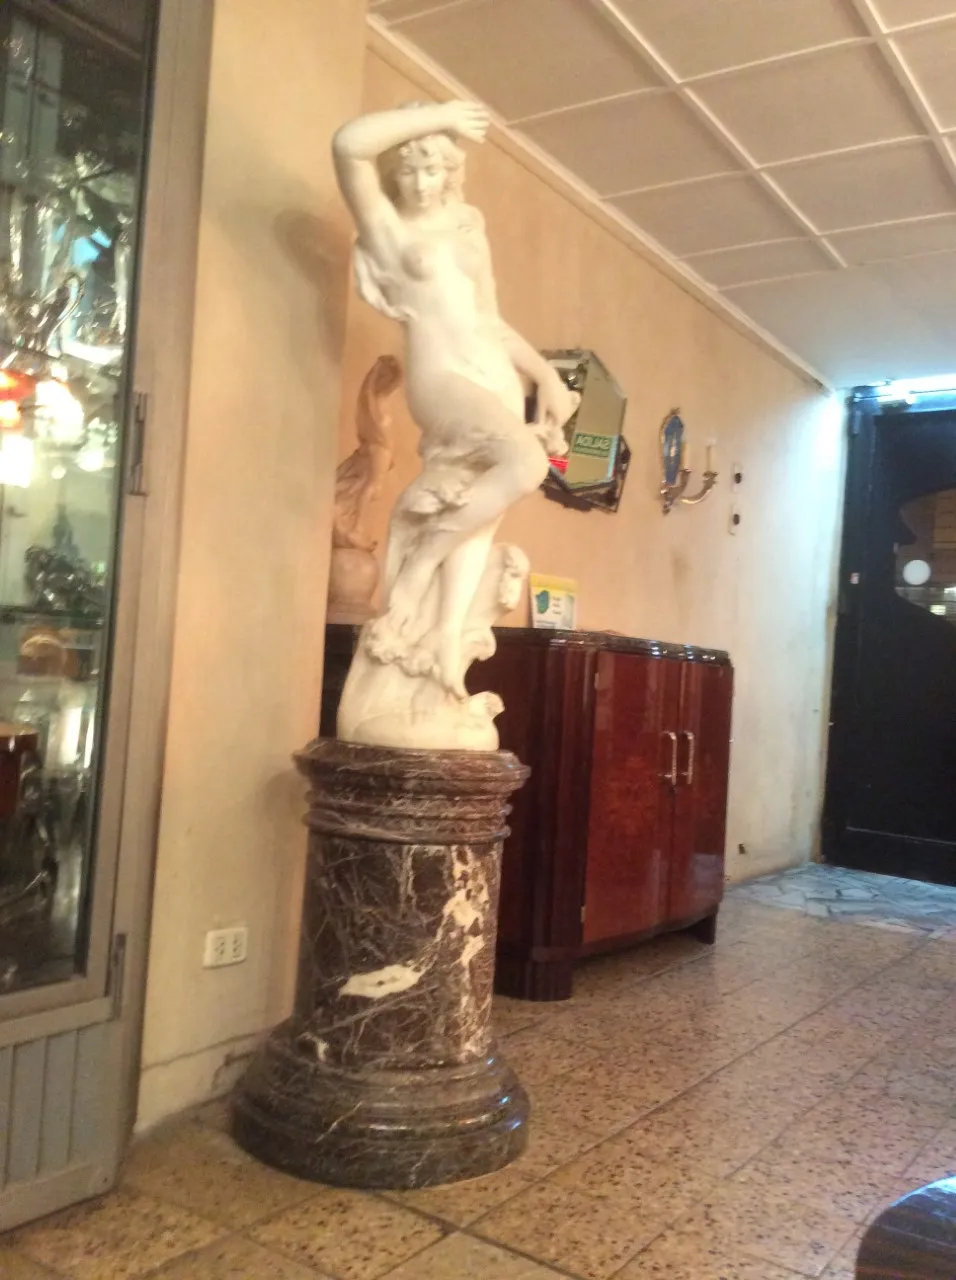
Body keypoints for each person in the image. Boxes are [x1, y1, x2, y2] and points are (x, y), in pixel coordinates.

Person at [332, 100, 577, 698]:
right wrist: (438, 116)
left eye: (433, 169)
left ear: (450, 173)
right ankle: (419, 564)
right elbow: (349, 146)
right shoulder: (389, 231)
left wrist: (545, 376)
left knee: (480, 517)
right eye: (409, 171)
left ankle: (445, 647)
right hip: (442, 379)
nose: (420, 183)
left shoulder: (468, 226)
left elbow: (489, 321)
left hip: (493, 376)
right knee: (527, 462)